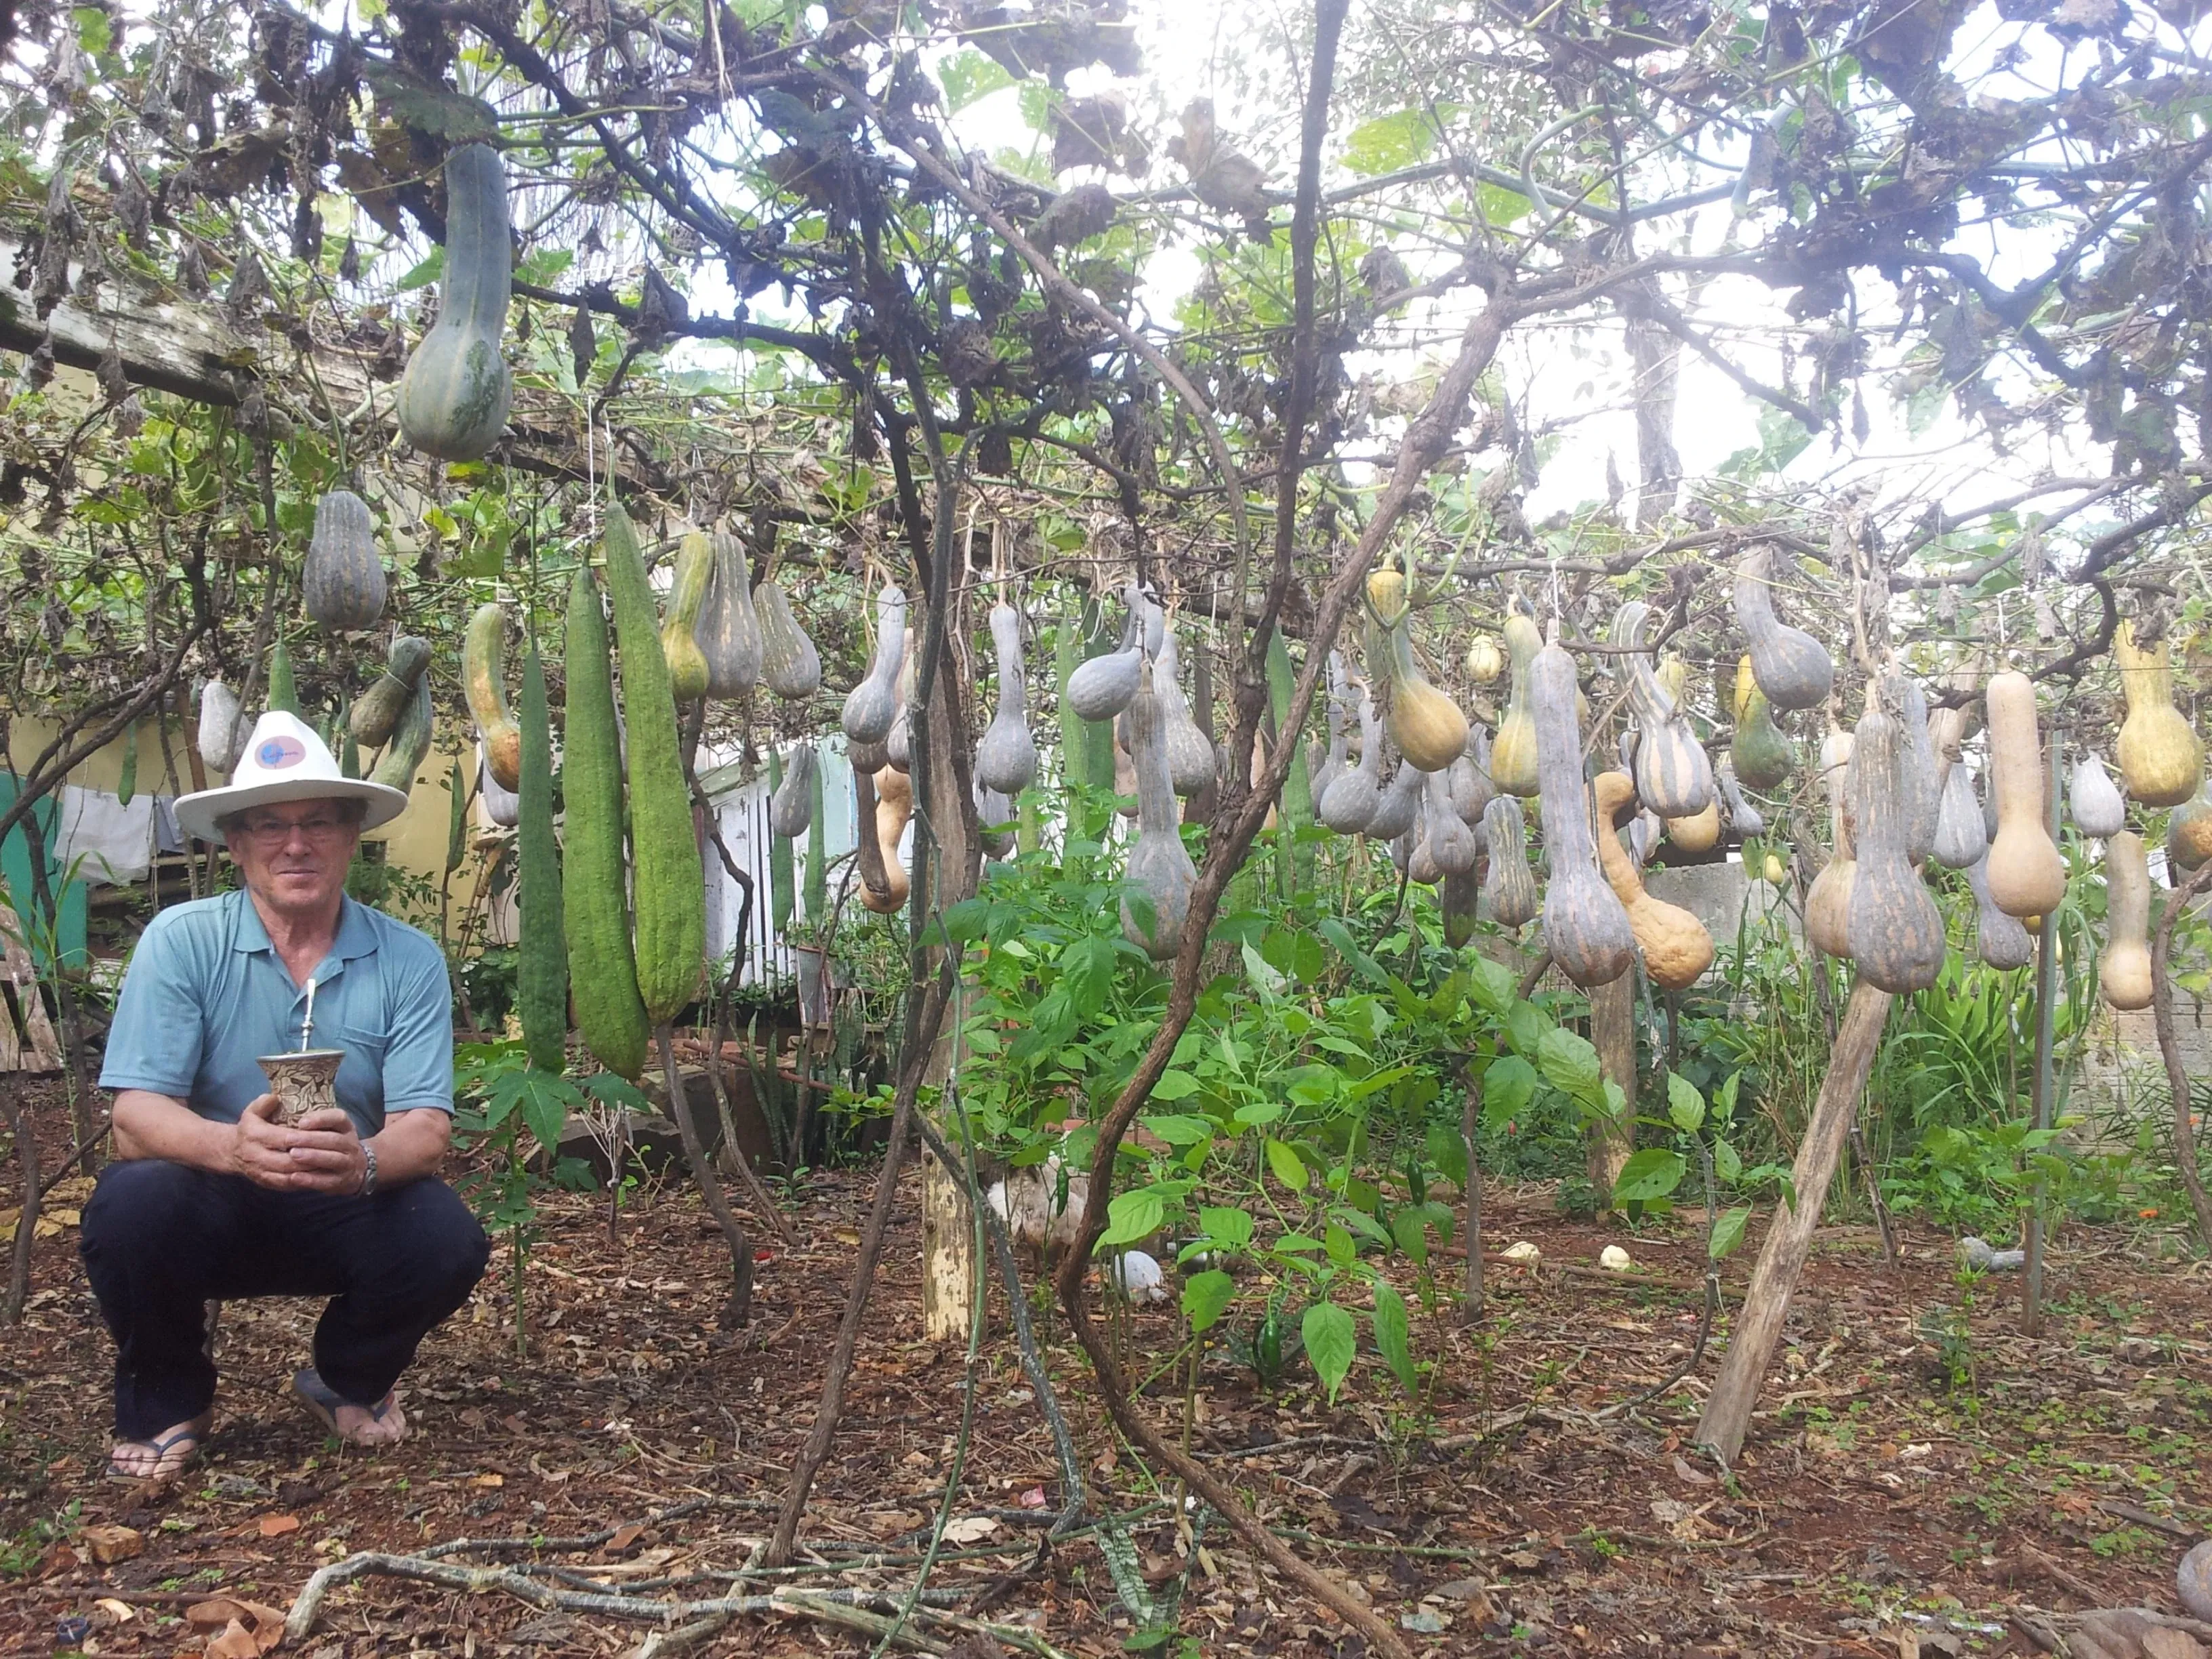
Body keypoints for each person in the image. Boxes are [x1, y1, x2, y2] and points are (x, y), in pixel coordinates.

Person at [81, 710, 489, 1481]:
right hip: (212, 1196)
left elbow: (427, 1127)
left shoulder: (407, 958)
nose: (294, 844)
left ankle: (346, 1376)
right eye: (269, 825)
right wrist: (230, 1148)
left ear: (351, 835)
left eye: (318, 823)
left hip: (346, 1198)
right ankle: (167, 1396)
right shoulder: (181, 940)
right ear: (235, 844)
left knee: (446, 1237)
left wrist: (363, 1162)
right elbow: (135, 1117)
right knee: (130, 1206)